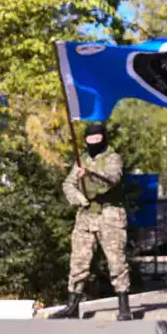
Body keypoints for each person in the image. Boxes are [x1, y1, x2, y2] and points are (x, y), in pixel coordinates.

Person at [50, 122, 133, 321]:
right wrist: (80, 199)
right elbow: (68, 184)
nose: (94, 142)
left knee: (116, 262)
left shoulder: (112, 158)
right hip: (86, 216)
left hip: (110, 216)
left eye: (97, 138)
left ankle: (124, 306)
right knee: (78, 262)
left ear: (103, 138)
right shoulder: (82, 160)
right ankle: (72, 305)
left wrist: (90, 175)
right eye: (90, 139)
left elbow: (112, 179)